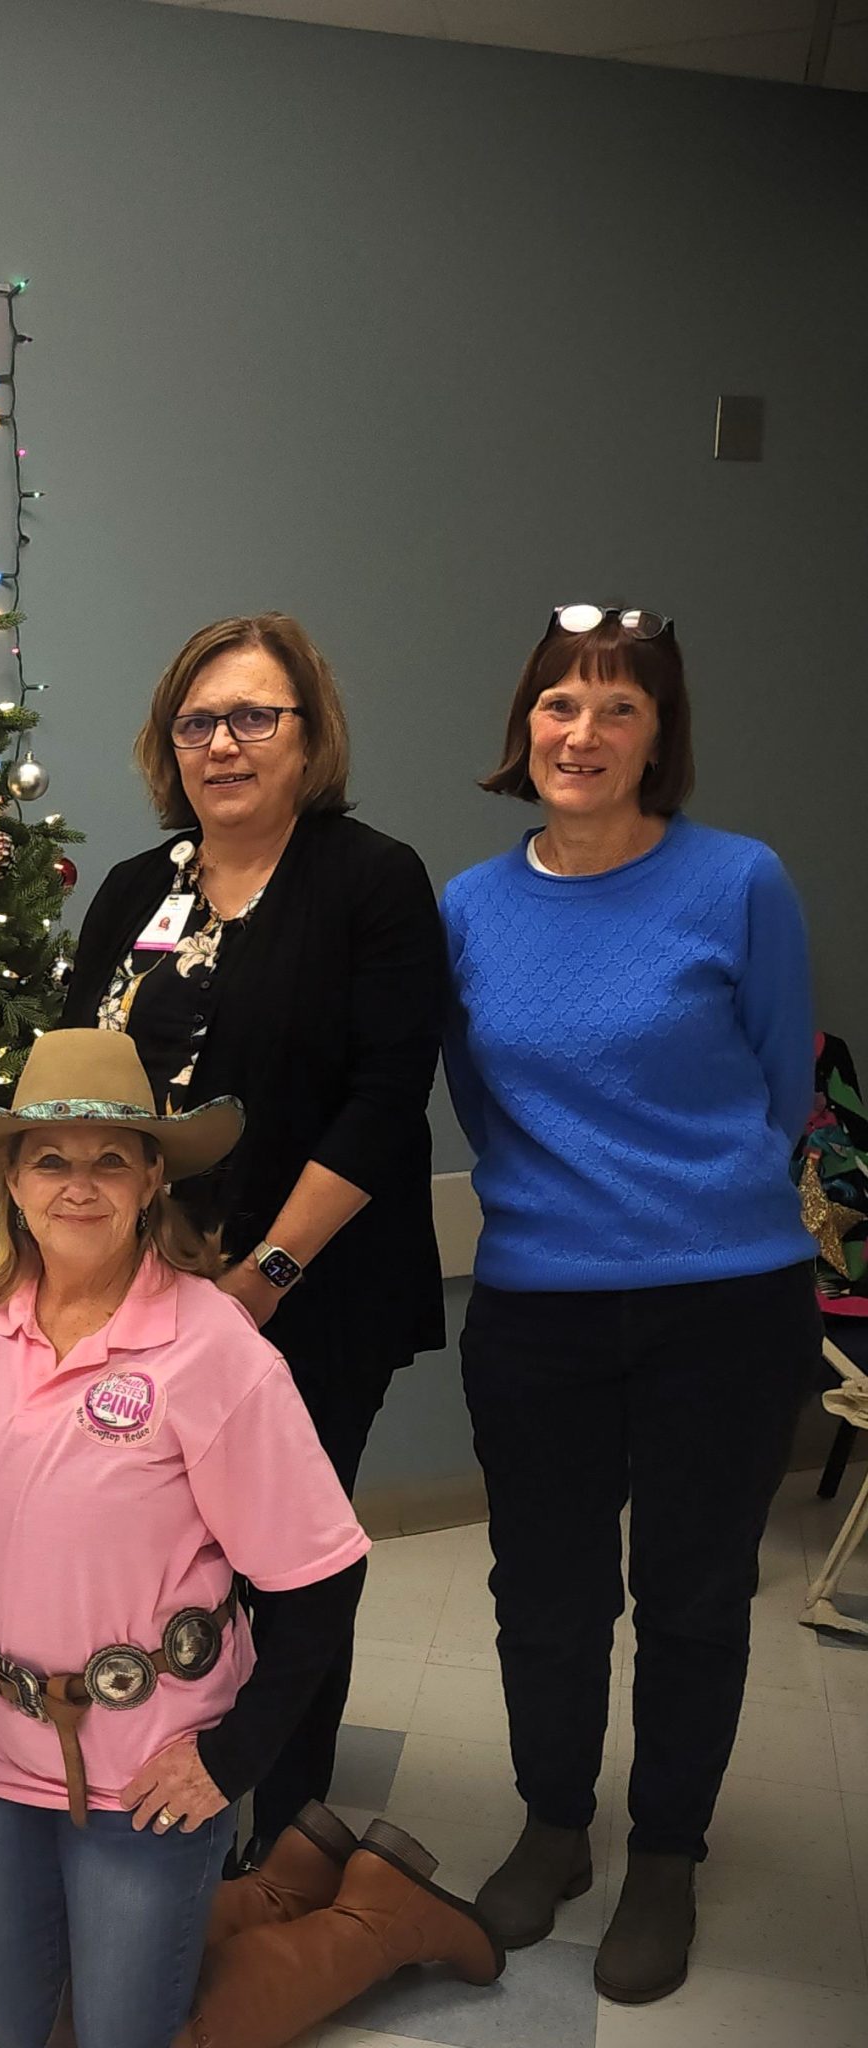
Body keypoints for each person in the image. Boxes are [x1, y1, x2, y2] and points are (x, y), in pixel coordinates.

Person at [0, 1029, 492, 2048]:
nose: (78, 1183)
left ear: (152, 1175)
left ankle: (373, 1917)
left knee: (124, 2034)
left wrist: (231, 1755)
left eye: (109, 1157)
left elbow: (321, 1578)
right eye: (49, 1157)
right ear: (9, 1177)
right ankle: (276, 1886)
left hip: (151, 1756)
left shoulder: (212, 1348)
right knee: (22, 2026)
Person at [443, 605, 818, 2004]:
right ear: (522, 728)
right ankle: (557, 1828)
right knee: (543, 1590)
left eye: (618, 708)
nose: (583, 733)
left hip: (724, 1301)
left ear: (660, 737)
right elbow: (482, 1101)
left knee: (696, 1594)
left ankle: (665, 1853)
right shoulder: (471, 909)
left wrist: (687, 1203)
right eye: (559, 704)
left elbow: (785, 1082)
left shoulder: (740, 883)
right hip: (540, 1303)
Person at [61, 613, 446, 1855]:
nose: (220, 744)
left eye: (251, 717)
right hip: (141, 1294)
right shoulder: (136, 888)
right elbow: (70, 1086)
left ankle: (281, 1825)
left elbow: (389, 1096)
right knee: (164, 1553)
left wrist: (264, 1272)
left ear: (307, 734)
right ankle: (162, 1781)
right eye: (195, 721)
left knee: (288, 1562)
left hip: (308, 1290)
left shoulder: (368, 880)